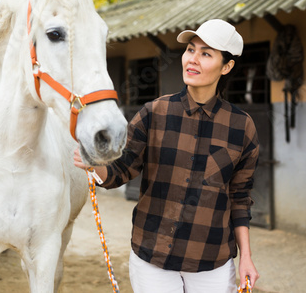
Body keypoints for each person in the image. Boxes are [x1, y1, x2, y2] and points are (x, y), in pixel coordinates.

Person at [74, 19, 260, 293]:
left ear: (227, 66)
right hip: (152, 259)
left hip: (212, 262)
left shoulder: (241, 126)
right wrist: (94, 164)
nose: (192, 60)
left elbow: (240, 198)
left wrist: (246, 257)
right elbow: (120, 170)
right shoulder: (154, 113)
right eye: (190, 50)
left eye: (206, 54)